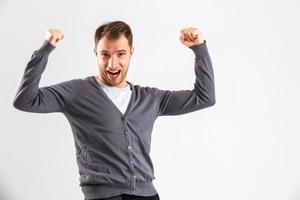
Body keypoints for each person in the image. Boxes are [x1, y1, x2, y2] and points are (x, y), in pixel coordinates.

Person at [13, 20, 215, 200]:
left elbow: (204, 97)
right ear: (95, 54)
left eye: (120, 54)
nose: (112, 64)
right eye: (105, 54)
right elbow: (25, 100)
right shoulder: (77, 92)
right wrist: (45, 49)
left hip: (148, 195)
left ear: (131, 53)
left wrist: (199, 49)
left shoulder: (150, 98)